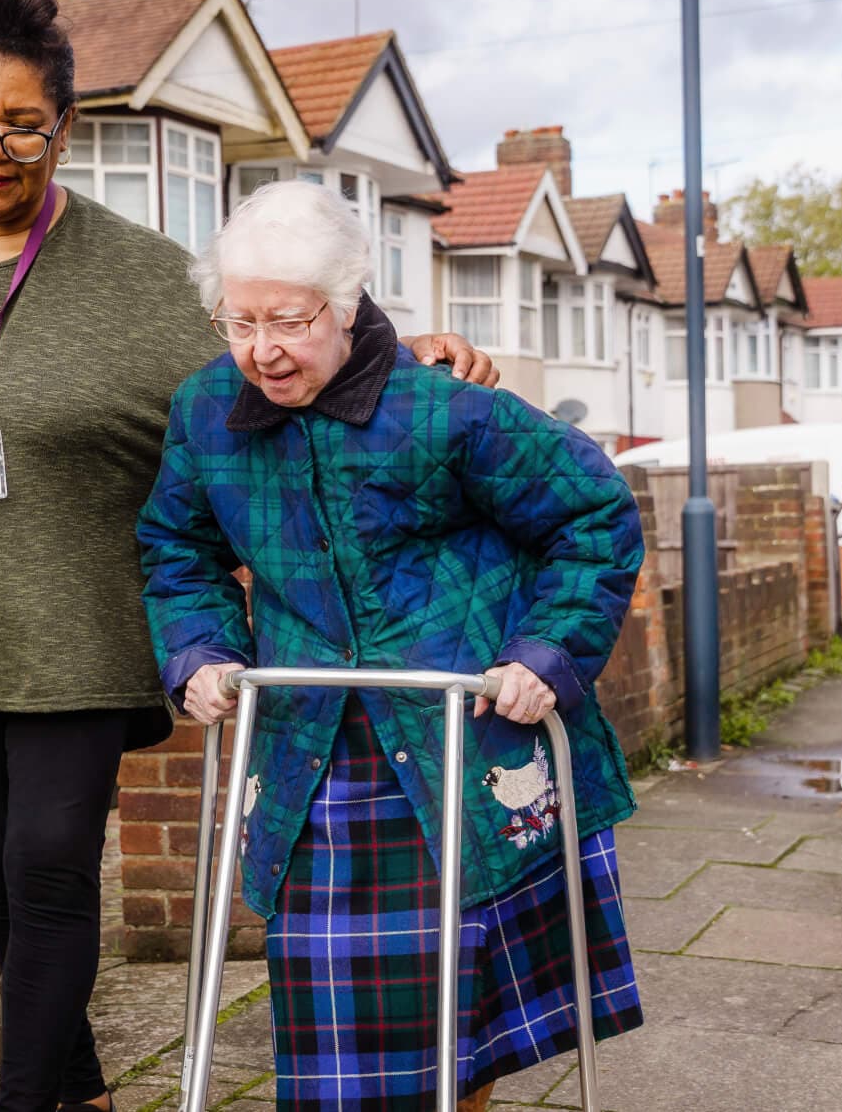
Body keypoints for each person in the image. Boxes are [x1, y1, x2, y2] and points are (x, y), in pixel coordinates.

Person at [0, 0, 500, 1112]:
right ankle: (78, 1089)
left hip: (88, 638)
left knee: (46, 872)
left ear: (63, 128)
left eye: (22, 122)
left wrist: (404, 348)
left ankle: (22, 1098)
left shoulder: (137, 273)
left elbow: (278, 349)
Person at [137, 180, 646, 1112]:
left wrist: (547, 654)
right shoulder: (206, 411)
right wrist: (200, 651)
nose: (261, 350)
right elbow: (179, 547)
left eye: (287, 321)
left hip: (467, 743)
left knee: (472, 1020)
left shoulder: (445, 405)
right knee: (340, 1036)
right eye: (237, 322)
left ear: (347, 301)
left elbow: (593, 514)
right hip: (313, 755)